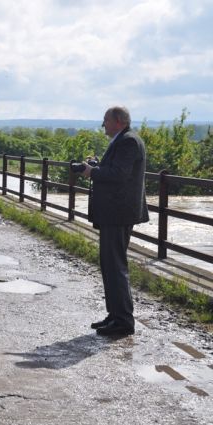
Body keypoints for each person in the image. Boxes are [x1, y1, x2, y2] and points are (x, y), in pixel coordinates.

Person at [81, 106, 149, 337]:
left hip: (118, 214)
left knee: (115, 266)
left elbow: (119, 175)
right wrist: (97, 166)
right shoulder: (124, 140)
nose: (103, 125)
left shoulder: (128, 141)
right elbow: (116, 170)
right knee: (110, 265)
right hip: (115, 213)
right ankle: (115, 315)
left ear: (118, 121)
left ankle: (123, 321)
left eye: (106, 120)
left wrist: (92, 172)